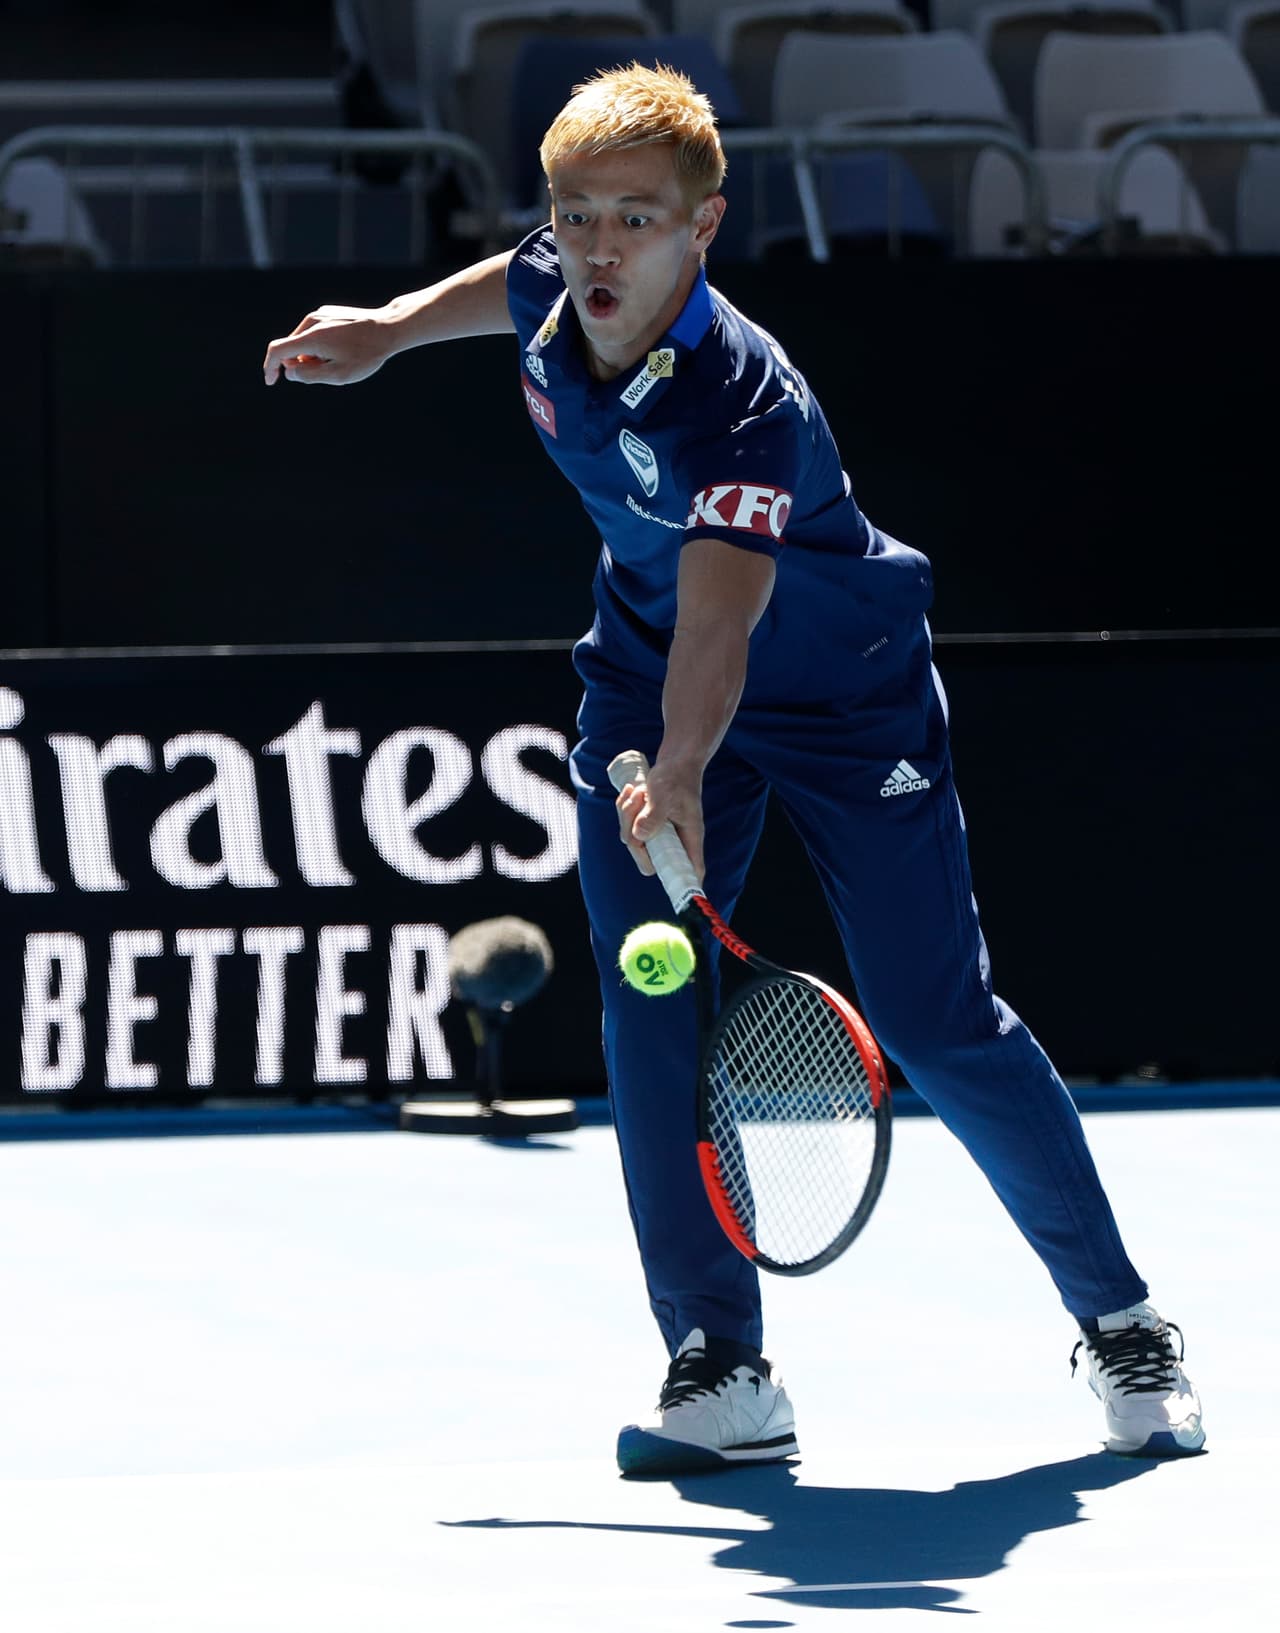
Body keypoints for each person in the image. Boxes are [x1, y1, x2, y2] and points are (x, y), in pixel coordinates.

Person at [262, 63, 1205, 1477]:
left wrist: (685, 765)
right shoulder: (558, 282)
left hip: (840, 703)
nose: (595, 247)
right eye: (575, 214)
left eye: (634, 220)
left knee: (937, 1021)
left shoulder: (743, 404)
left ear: (702, 229)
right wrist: (392, 331)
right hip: (643, 683)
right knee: (652, 995)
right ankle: (721, 1359)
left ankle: (1123, 1322)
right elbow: (505, 284)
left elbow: (724, 614)